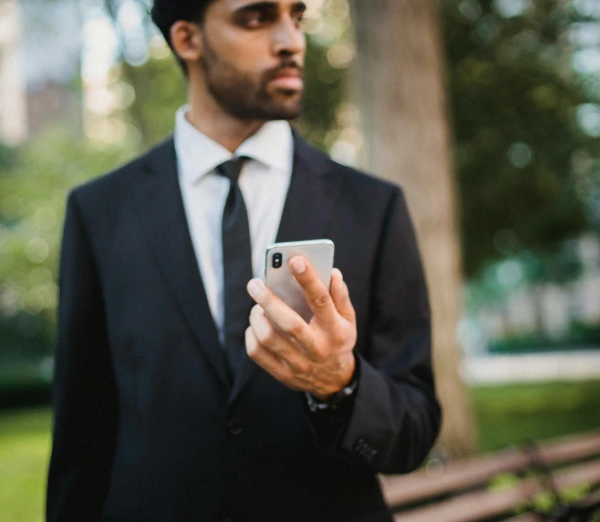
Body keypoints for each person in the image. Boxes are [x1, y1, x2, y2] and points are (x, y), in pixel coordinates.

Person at [46, 0, 442, 520]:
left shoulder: (373, 206)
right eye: (256, 18)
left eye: (296, 17)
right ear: (188, 39)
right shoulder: (99, 212)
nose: (292, 42)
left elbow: (413, 434)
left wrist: (340, 383)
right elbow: (81, 437)